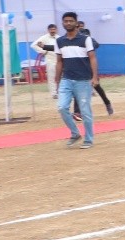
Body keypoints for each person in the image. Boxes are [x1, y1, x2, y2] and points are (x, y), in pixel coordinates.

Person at [54, 12, 99, 147]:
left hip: (83, 80)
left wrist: (95, 77)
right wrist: (57, 80)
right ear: (62, 23)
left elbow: (92, 58)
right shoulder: (59, 41)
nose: (68, 23)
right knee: (62, 107)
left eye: (71, 21)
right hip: (66, 79)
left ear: (76, 23)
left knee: (85, 112)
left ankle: (88, 140)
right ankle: (75, 133)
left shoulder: (85, 39)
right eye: (65, 21)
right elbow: (59, 61)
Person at [72, 21, 113, 116]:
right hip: (79, 69)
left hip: (90, 69)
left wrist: (86, 43)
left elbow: (96, 44)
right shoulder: (73, 40)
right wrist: (45, 47)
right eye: (78, 27)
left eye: (80, 27)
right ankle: (77, 112)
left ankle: (107, 103)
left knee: (97, 87)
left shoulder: (88, 38)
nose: (79, 28)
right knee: (77, 89)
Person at [31, 23, 59, 98]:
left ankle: (60, 92)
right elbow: (33, 45)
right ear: (48, 30)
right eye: (51, 29)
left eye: (54, 29)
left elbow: (58, 48)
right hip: (50, 60)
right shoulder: (44, 38)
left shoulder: (59, 38)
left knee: (60, 77)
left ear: (56, 30)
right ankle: (54, 94)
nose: (52, 31)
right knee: (51, 77)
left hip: (59, 60)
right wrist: (43, 51)